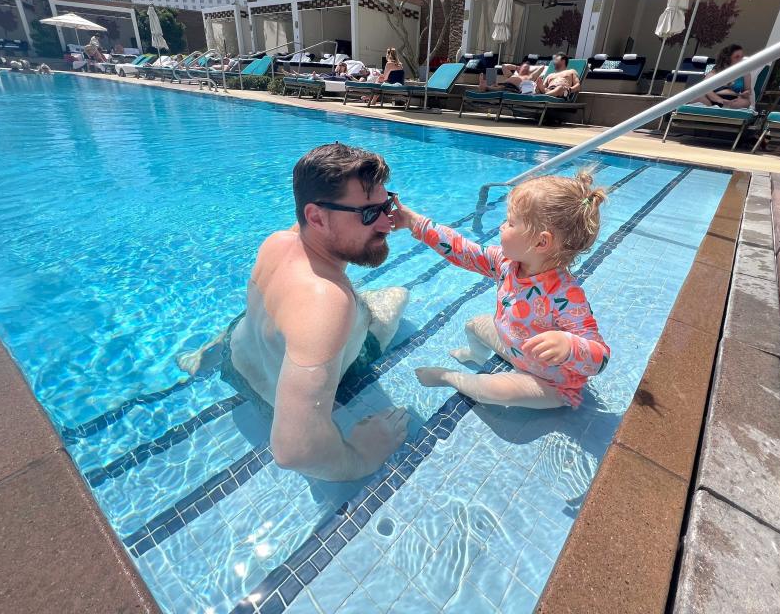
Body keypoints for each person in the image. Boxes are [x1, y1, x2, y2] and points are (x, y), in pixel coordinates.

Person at [183, 144, 411, 481]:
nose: (387, 224)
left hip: (236, 361)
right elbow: (294, 451)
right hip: (272, 400)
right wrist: (364, 454)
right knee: (397, 297)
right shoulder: (327, 303)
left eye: (388, 205)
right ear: (317, 217)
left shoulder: (277, 241)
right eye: (368, 214)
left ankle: (205, 353)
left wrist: (381, 210)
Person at [391, 170, 611, 409]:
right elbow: (462, 250)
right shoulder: (505, 263)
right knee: (473, 325)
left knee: (495, 390)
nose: (501, 226)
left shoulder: (565, 296)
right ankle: (476, 356)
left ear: (541, 242)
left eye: (510, 222)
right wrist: (414, 222)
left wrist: (570, 346)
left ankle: (447, 377)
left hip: (552, 383)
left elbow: (600, 356)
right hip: (516, 348)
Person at [691, 44, 752, 109]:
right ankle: (715, 108)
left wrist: (746, 93)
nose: (740, 59)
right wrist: (720, 100)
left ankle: (718, 109)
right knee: (697, 97)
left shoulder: (745, 73)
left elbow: (747, 90)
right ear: (727, 58)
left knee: (746, 102)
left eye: (741, 57)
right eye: (737, 57)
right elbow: (704, 88)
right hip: (713, 99)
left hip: (734, 100)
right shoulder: (715, 71)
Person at [477, 60, 547, 93]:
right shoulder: (513, 75)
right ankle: (486, 86)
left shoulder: (530, 77)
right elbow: (504, 66)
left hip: (514, 88)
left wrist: (530, 70)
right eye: (523, 67)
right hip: (504, 84)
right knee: (498, 85)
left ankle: (486, 87)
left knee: (501, 88)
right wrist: (516, 67)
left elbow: (542, 67)